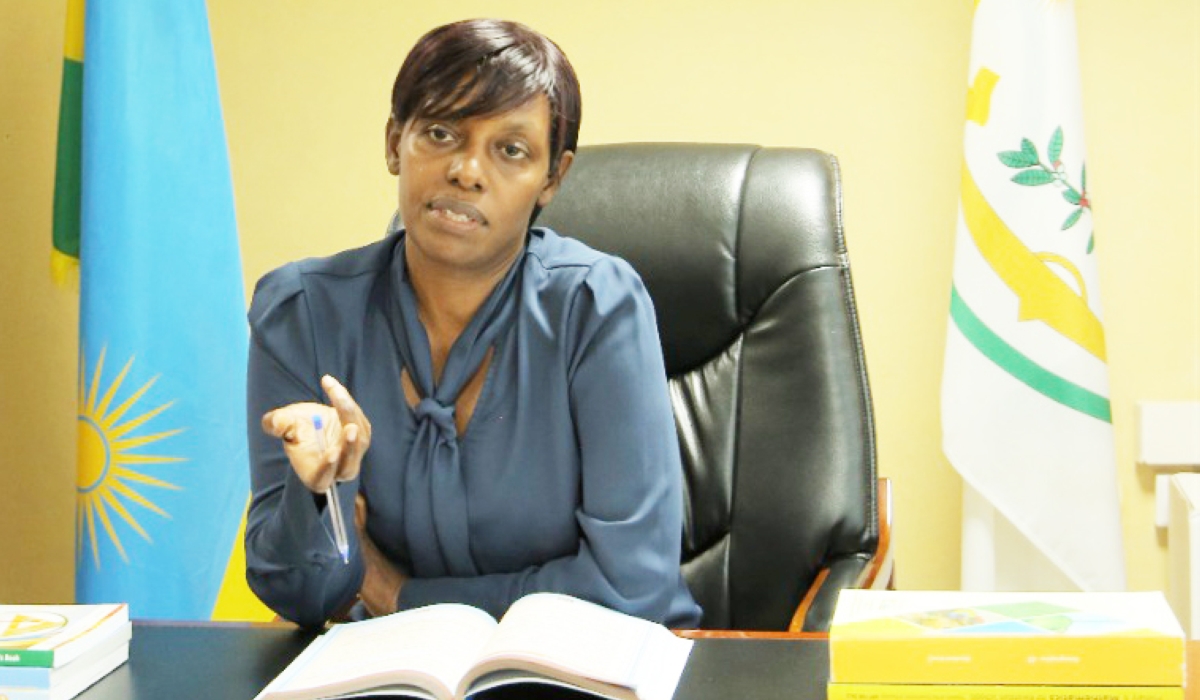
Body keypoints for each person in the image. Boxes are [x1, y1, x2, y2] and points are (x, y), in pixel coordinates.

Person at [244, 18, 701, 630]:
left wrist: (395, 594)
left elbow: (634, 586)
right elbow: (298, 599)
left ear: (553, 179)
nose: (467, 170)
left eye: (511, 150)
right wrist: (317, 498)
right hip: (390, 675)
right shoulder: (301, 311)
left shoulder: (597, 307)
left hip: (585, 673)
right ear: (393, 143)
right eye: (439, 132)